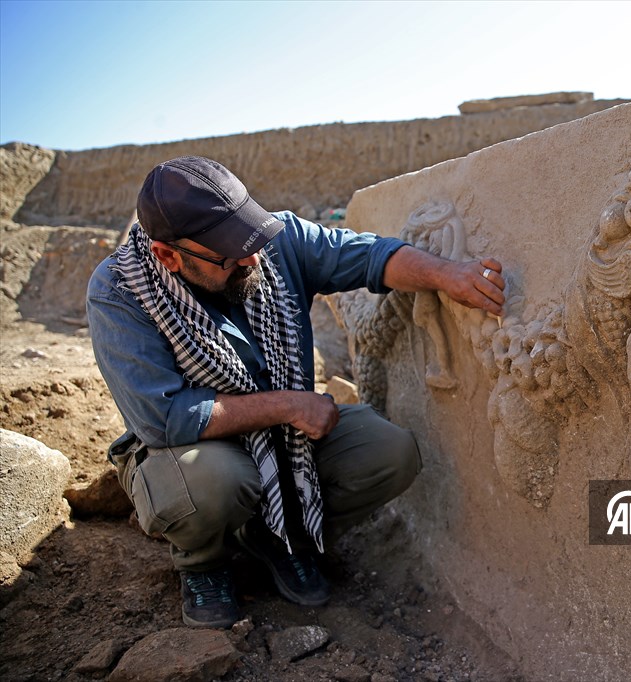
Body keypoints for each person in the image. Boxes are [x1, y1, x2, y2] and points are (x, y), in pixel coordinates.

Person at [86, 156, 506, 628]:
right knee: (213, 484)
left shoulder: (274, 241)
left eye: (251, 239)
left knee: (390, 453)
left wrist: (448, 274)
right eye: (228, 253)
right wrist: (288, 405)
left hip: (289, 445)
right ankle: (203, 562)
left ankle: (282, 538)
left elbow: (371, 256)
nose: (252, 259)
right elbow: (163, 420)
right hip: (191, 450)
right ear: (169, 256)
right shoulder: (120, 291)